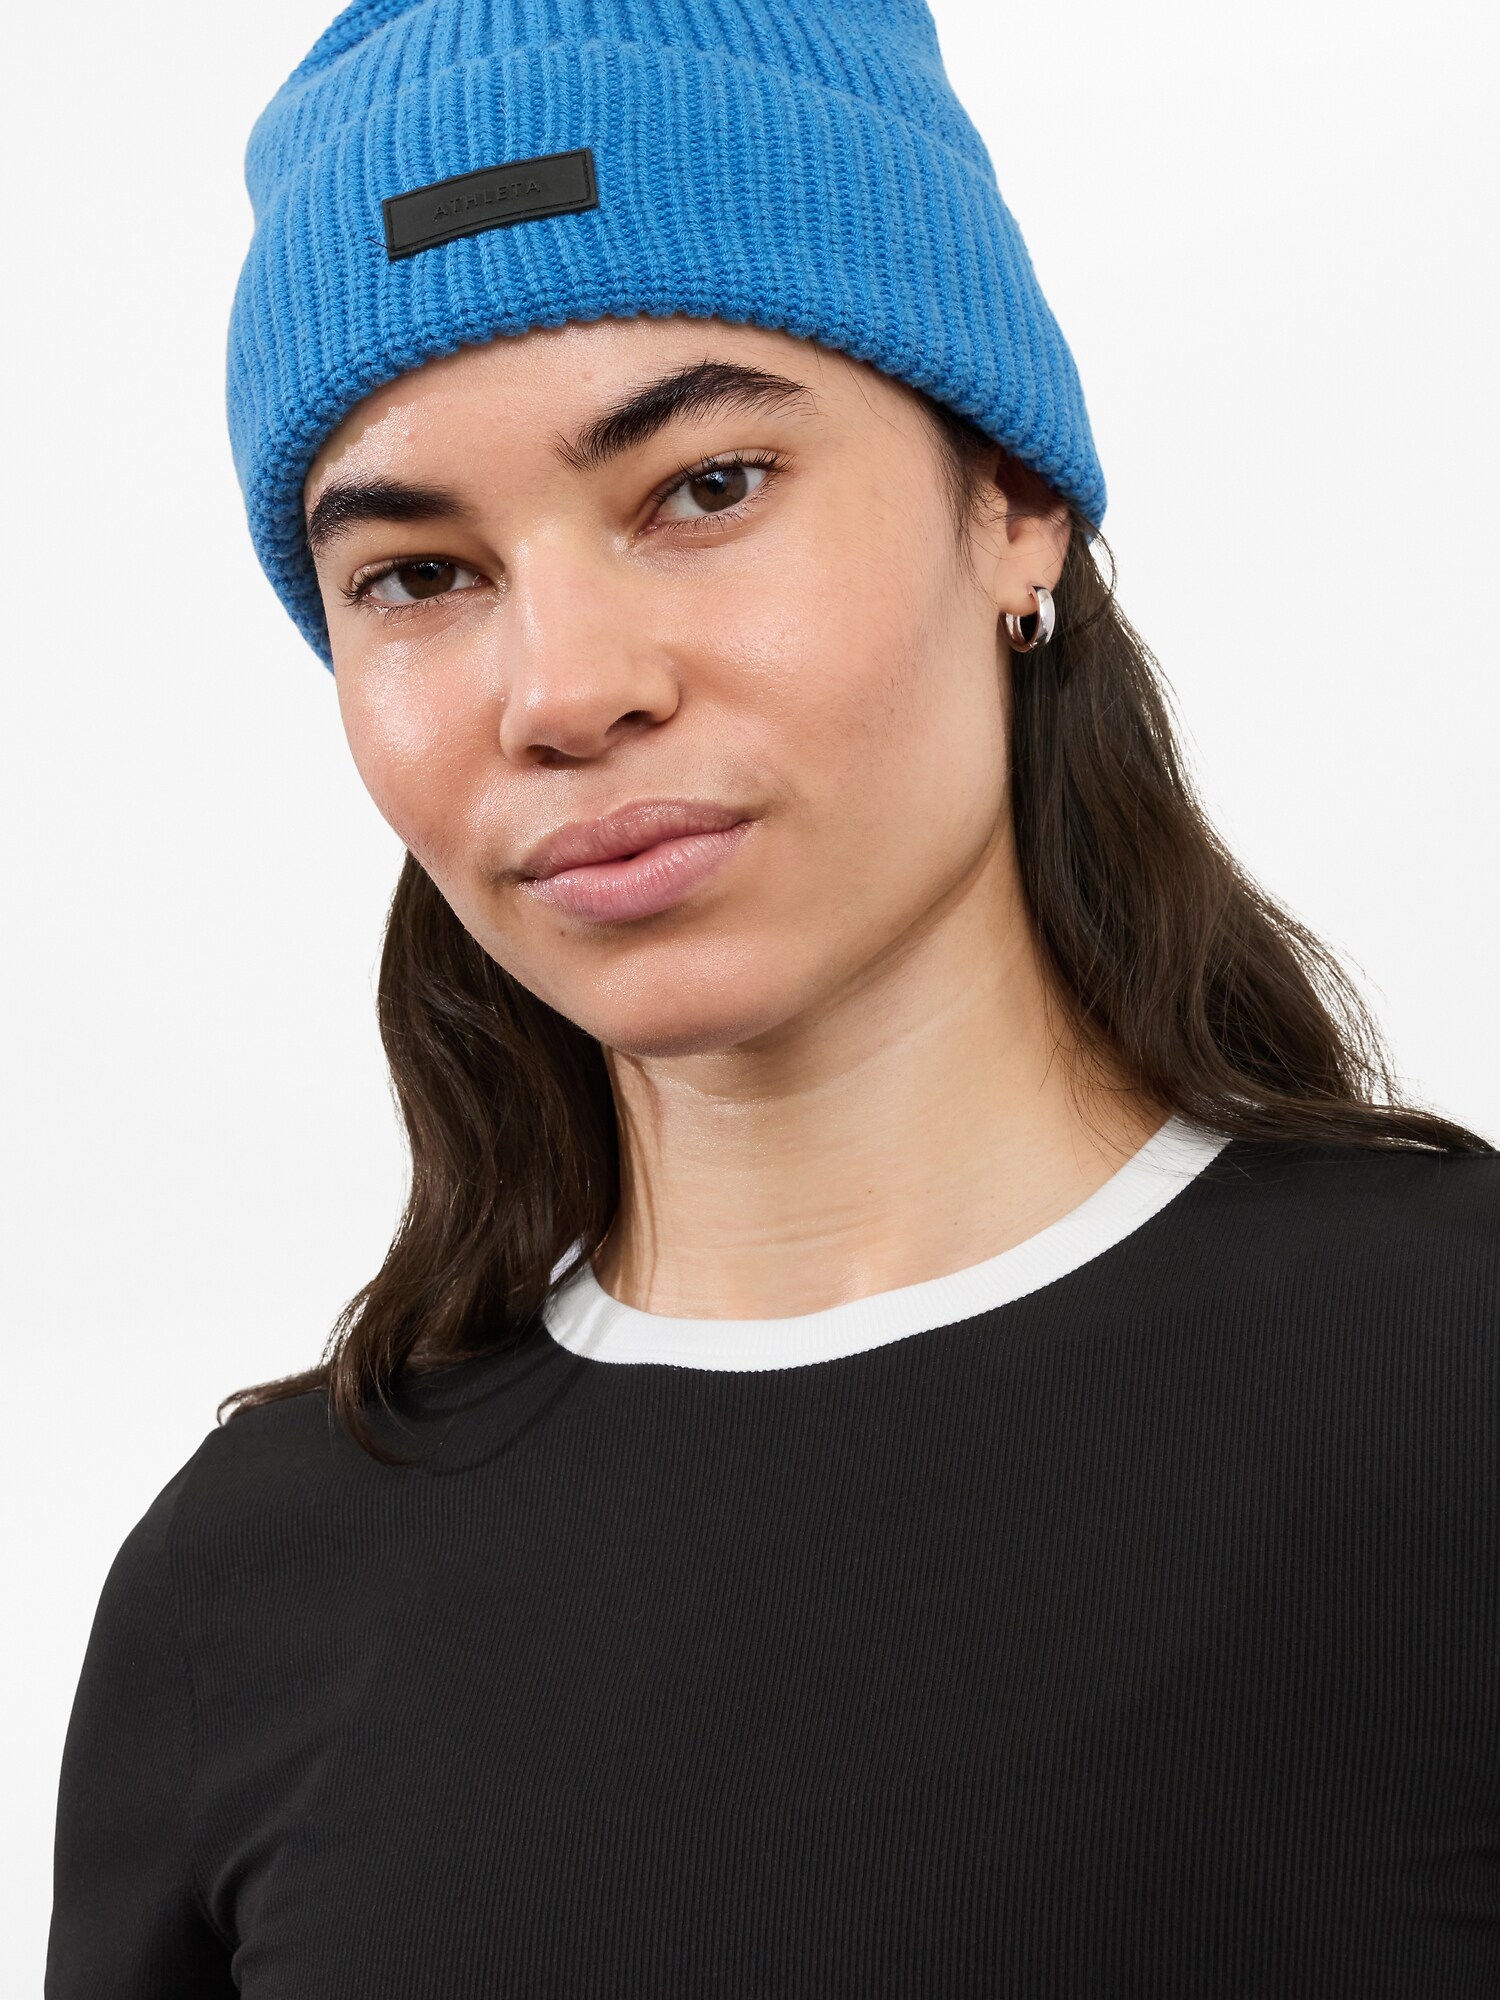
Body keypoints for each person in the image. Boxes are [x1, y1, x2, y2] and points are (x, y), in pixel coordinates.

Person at [46, 0, 1500, 1993]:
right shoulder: (242, 1593)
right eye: (417, 576)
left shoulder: (1455, 1383)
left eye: (707, 484)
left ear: (1013, 500)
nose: (565, 689)